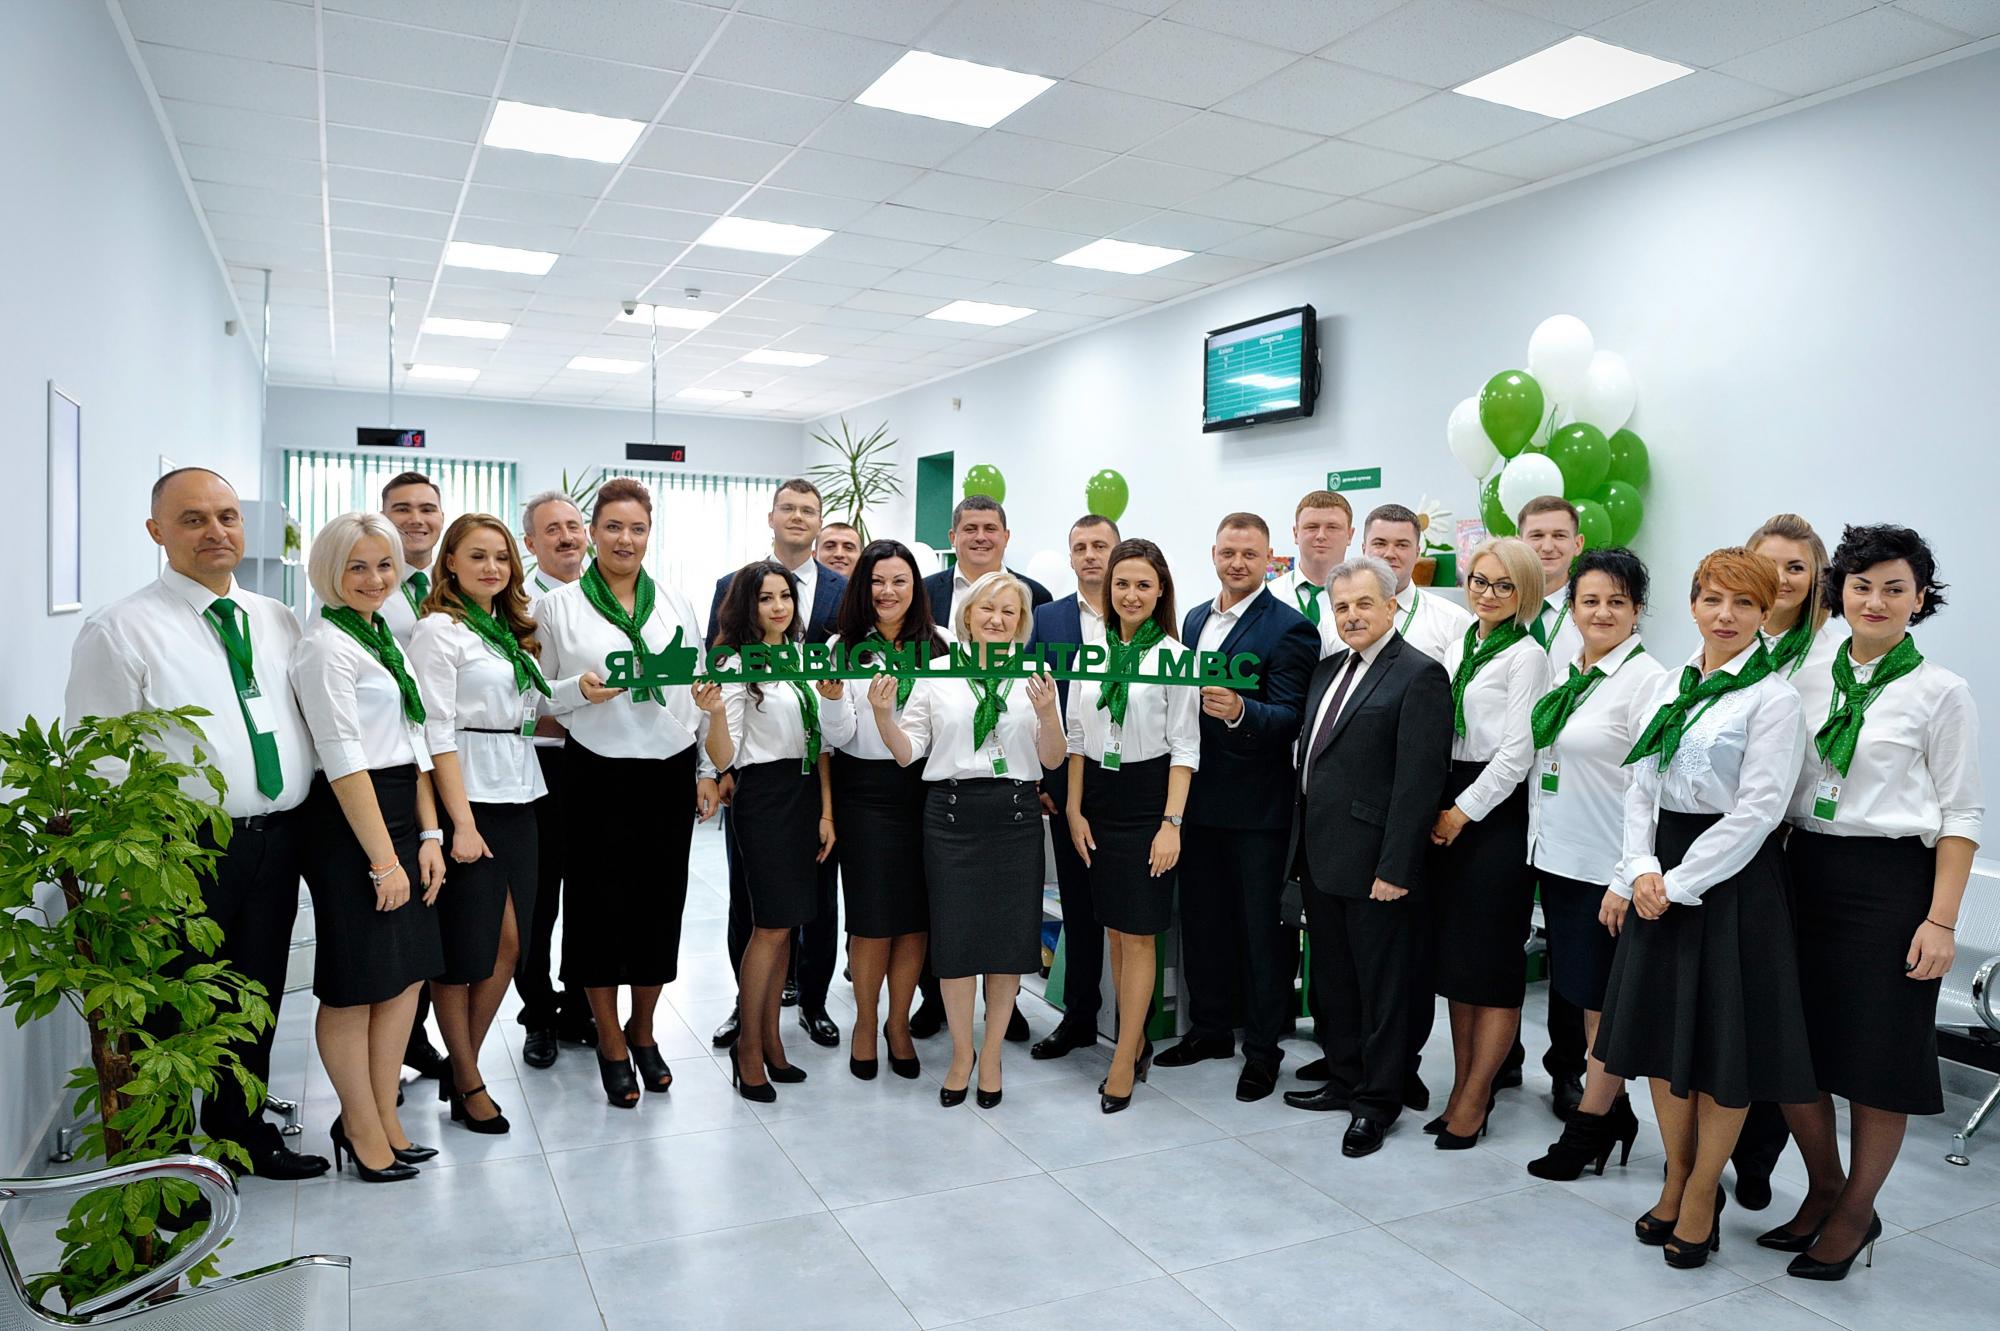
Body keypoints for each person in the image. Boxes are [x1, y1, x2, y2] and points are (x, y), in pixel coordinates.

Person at [63, 468, 328, 1180]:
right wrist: (127, 880)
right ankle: (168, 1164)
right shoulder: (120, 629)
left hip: (275, 840)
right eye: (193, 519)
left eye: (227, 516)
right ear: (157, 531)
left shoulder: (275, 618)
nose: (216, 531)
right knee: (169, 1010)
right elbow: (99, 764)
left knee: (254, 995)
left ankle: (243, 1134)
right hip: (177, 851)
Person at [1760, 524, 1981, 1281]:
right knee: (1796, 1047)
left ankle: (1857, 1209)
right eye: (1861, 586)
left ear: (1920, 599)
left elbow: (1961, 814)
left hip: (1890, 884)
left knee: (1876, 1056)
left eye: (1894, 588)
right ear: (1840, 592)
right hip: (1801, 868)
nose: (1875, 601)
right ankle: (1824, 1183)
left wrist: (1941, 920)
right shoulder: (1805, 672)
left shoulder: (1940, 691)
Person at [1596, 547, 1816, 1271]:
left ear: (1765, 613)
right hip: (1661, 870)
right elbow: (1638, 786)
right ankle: (1675, 1175)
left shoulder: (1773, 698)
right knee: (1664, 1041)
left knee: (1724, 1050)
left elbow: (1759, 811)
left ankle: (1700, 1192)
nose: (1726, 615)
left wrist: (1680, 882)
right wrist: (1640, 869)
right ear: (1693, 604)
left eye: (1744, 603)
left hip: (1733, 882)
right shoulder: (1669, 684)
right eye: (1713, 599)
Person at [539, 478, 720, 1108]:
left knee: (658, 908)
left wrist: (705, 768)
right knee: (596, 910)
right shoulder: (559, 607)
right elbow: (534, 691)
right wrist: (576, 692)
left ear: (649, 534)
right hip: (595, 771)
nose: (625, 539)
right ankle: (610, 1041)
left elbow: (699, 689)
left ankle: (644, 1030)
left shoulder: (675, 601)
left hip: (667, 771)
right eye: (613, 527)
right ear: (592, 532)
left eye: (637, 528)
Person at [871, 572, 1067, 1109]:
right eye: (987, 609)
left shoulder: (1035, 675)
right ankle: (963, 1055)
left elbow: (1052, 758)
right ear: (967, 615)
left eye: (1009, 612)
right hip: (951, 819)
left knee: (1007, 948)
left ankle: (993, 1055)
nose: (997, 619)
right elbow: (907, 752)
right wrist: (884, 716)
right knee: (955, 948)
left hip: (1016, 818)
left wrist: (1047, 713)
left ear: (1021, 623)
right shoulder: (937, 673)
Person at [291, 511, 447, 1181]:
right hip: (352, 820)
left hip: (401, 809)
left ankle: (385, 1115)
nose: (374, 578)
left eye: (384, 565)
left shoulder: (380, 633)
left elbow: (413, 739)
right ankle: (357, 1124)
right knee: (356, 983)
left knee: (404, 975)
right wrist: (384, 861)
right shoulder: (326, 646)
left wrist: (430, 834)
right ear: (329, 570)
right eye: (357, 566)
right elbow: (343, 757)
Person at [1280, 557, 1452, 1160]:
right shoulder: (1328, 669)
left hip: (1377, 863)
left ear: (1391, 606)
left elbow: (1418, 783)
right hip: (1321, 855)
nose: (1352, 615)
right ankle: (1345, 1078)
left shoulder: (1420, 674)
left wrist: (1396, 867)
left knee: (1384, 990)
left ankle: (1378, 1103)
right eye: (1342, 607)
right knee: (1335, 981)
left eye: (1363, 604)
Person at [1157, 513, 1319, 1102]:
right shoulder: (1194, 618)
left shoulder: (1291, 628)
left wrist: (1240, 712)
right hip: (1196, 803)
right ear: (1213, 554)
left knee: (1261, 937)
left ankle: (1263, 1052)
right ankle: (1209, 1031)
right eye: (1228, 552)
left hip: (1257, 813)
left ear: (1269, 559)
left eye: (1250, 554)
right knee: (1203, 925)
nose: (1238, 563)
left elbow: (1292, 717)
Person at [1521, 548, 1667, 1180]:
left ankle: (1587, 1128)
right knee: (1584, 998)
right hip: (1560, 862)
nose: (1601, 612)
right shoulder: (1568, 674)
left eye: (1617, 601)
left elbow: (1650, 790)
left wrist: (1623, 877)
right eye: (1590, 601)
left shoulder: (1648, 682)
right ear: (1572, 607)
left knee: (1603, 1009)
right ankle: (1616, 1114)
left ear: (1638, 610)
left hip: (1605, 871)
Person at [408, 514, 548, 1135]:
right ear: (451, 563)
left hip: (519, 790)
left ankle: (461, 1065)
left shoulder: (506, 630)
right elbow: (434, 730)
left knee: (510, 946)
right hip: (469, 797)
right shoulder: (439, 630)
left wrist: (580, 689)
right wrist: (459, 824)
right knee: (466, 950)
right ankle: (467, 1079)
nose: (492, 568)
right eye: (477, 556)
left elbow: (529, 704)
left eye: (502, 557)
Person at [696, 562, 854, 1101]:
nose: (779, 607)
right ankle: (748, 1049)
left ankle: (772, 1042)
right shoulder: (735, 663)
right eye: (766, 598)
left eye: (785, 596)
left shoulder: (805, 657)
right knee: (768, 927)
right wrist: (715, 714)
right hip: (764, 797)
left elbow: (825, 744)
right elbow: (725, 756)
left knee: (788, 927)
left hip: (807, 792)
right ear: (748, 605)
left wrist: (827, 812)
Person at [1063, 540, 1199, 1113]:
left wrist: (1171, 824)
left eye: (1143, 584)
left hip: (1149, 801)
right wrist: (1074, 809)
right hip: (1098, 799)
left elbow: (1185, 748)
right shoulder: (1089, 653)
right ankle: (1134, 1037)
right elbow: (1075, 738)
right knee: (1116, 930)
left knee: (1140, 933)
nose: (1131, 594)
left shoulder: (1176, 658)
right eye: (1122, 584)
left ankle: (1123, 1057)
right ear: (1107, 589)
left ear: (1160, 589)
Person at [1425, 538, 1550, 1150]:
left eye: (1504, 585)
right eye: (1479, 580)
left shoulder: (1527, 655)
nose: (1489, 593)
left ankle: (1477, 1098)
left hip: (1493, 813)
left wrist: (1461, 813)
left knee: (1493, 965)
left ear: (1525, 591)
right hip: (1451, 797)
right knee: (1458, 965)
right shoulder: (1461, 645)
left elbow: (1517, 753)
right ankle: (1459, 1089)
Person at [1731, 513, 1836, 1203]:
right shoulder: (1732, 642)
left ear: (1817, 577)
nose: (1781, 578)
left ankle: (1763, 1151)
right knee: (1738, 1004)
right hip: (1735, 844)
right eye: (1767, 564)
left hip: (1800, 845)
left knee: (1782, 1011)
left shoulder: (1833, 657)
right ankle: (1732, 1143)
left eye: (1796, 567)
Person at [827, 541, 945, 1080]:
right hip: (865, 794)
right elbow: (838, 737)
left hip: (924, 791)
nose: (888, 591)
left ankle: (899, 1024)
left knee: (914, 920)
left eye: (899, 581)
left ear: (915, 588)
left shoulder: (941, 646)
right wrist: (835, 699)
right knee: (872, 919)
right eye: (877, 581)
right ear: (862, 587)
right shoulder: (843, 647)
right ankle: (865, 1023)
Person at [1027, 514, 1118, 1060]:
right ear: (1070, 556)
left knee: (1126, 915)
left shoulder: (1139, 610)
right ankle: (1079, 1016)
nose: (1090, 555)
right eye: (1080, 546)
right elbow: (1033, 697)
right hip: (1067, 781)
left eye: (1100, 545)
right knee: (1080, 908)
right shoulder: (1049, 617)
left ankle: (1131, 1027)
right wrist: (1044, 777)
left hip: (1130, 782)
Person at [1512, 496, 1591, 1117]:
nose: (1547, 546)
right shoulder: (1499, 608)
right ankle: (1500, 1056)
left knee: (1568, 942)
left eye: (1559, 535)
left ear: (1577, 543)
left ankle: (1567, 1069)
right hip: (1503, 795)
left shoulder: (1589, 612)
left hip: (1568, 796)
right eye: (1535, 535)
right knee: (1500, 935)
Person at [514, 491, 591, 1068]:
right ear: (530, 543)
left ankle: (581, 1006)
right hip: (541, 764)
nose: (566, 537)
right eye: (551, 530)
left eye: (573, 526)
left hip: (598, 763)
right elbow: (519, 699)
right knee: (539, 899)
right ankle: (538, 1012)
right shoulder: (518, 606)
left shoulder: (606, 597)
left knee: (590, 892)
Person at [1361, 503, 1473, 666]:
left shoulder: (1454, 622)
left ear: (1417, 553)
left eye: (1401, 545)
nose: (1390, 554)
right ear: (1364, 549)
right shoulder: (1334, 621)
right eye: (1380, 543)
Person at [922, 496, 1054, 626]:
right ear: (953, 538)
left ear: (1006, 537)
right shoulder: (923, 592)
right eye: (970, 529)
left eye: (990, 529)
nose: (980, 537)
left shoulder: (1037, 596)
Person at [1267, 490, 1355, 657]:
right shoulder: (1270, 596)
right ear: (1295, 533)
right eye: (1312, 527)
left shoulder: (1365, 598)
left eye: (1332, 527)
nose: (1321, 536)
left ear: (1350, 535)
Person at [376, 471, 446, 647]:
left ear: (442, 518)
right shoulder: (358, 587)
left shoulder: (459, 585)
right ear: (382, 519)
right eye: (402, 509)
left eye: (427, 510)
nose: (416, 520)